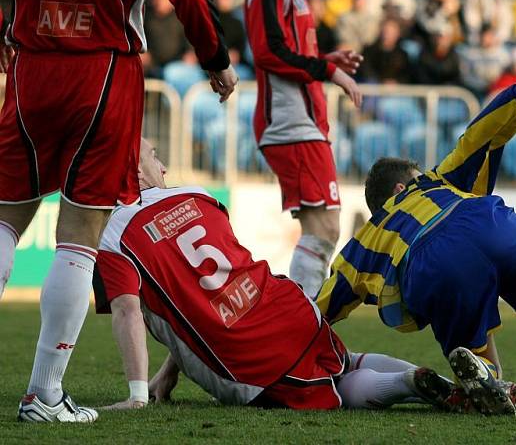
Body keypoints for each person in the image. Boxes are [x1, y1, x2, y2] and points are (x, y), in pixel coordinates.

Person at [0, 0, 238, 423]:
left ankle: (45, 394)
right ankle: (44, 394)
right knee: (80, 234)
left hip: (30, 68)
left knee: (5, 218)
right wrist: (215, 55)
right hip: (103, 73)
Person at [316, 59, 516, 412]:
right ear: (403, 184)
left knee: (488, 381)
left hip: (427, 271)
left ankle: (485, 371)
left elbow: (319, 312)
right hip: (482, 222)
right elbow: (477, 135)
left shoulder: (362, 243)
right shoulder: (434, 181)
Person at [93, 139, 485, 415]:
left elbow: (142, 309)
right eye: (152, 156)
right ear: (133, 170)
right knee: (344, 361)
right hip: (284, 302)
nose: (162, 165)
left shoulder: (114, 234)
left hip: (245, 350)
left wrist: (138, 394)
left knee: (339, 390)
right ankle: (450, 386)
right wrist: (169, 370)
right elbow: (207, 284)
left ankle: (410, 383)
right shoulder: (198, 196)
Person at [244, 0, 362, 297]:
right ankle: (300, 326)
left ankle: (298, 325)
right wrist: (328, 70)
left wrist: (325, 59)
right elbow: (268, 52)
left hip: (304, 119)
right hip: (290, 122)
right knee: (326, 227)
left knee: (325, 227)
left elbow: (289, 54)